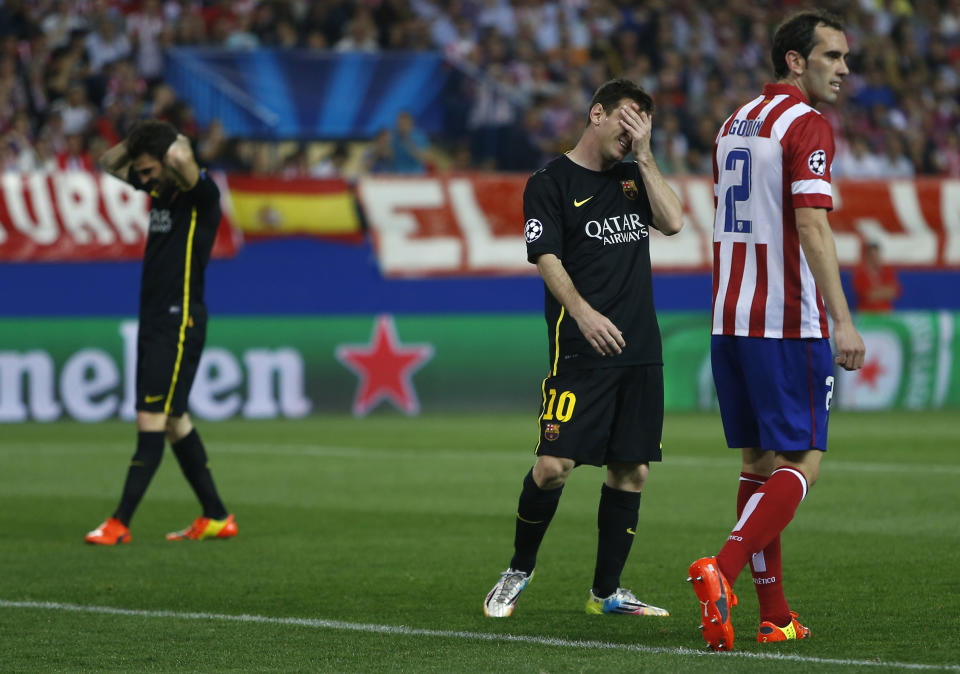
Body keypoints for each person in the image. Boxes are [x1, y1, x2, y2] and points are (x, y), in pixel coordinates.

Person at [687, 10, 865, 651]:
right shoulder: (808, 124)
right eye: (832, 56)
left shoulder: (734, 122)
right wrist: (841, 319)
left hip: (729, 316)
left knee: (758, 463)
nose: (844, 69)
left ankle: (775, 616)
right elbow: (812, 224)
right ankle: (722, 571)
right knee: (803, 463)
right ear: (796, 60)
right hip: (787, 319)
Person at [483, 78, 683, 619]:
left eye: (644, 120)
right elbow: (546, 256)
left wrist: (645, 156)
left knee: (632, 471)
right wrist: (584, 311)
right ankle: (517, 570)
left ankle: (607, 592)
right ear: (596, 113)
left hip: (639, 346)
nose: (633, 128)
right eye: (626, 116)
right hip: (579, 346)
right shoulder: (548, 181)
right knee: (553, 464)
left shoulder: (634, 177)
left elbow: (673, 221)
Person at [85, 120, 238, 545]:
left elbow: (178, 157)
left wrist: (172, 142)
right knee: (174, 420)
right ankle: (216, 516)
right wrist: (138, 145)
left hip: (179, 320)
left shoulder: (201, 196)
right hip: (156, 319)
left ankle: (119, 523)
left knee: (151, 418)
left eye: (149, 171)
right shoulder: (162, 191)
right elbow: (108, 162)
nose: (142, 178)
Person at [852, 240, 900, 312]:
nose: (875, 258)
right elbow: (868, 295)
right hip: (867, 314)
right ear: (867, 256)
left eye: (877, 255)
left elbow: (894, 292)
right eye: (872, 255)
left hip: (885, 313)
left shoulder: (887, 271)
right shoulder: (860, 274)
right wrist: (885, 291)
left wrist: (876, 292)